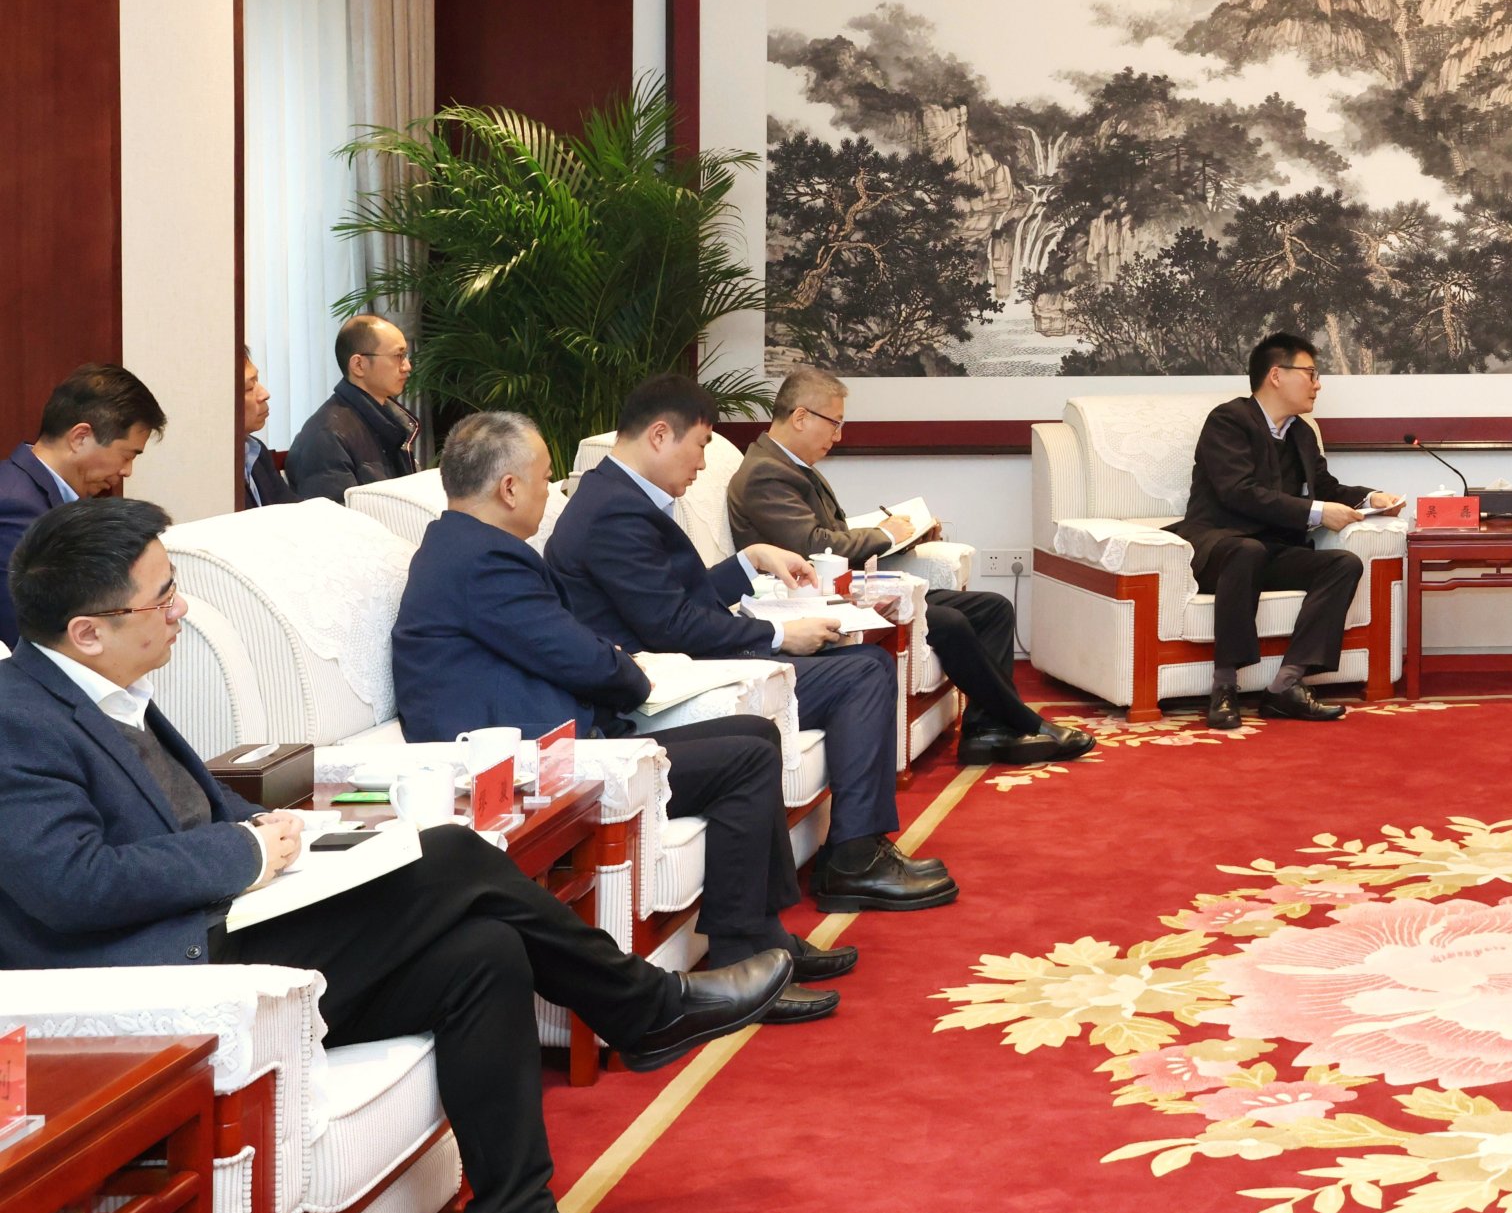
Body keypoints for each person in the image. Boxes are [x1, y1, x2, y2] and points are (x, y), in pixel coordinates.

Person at [0, 498, 793, 1213]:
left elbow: (204, 809)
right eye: (163, 596)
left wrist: (292, 831)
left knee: (484, 953)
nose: (181, 610)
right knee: (452, 854)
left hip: (228, 930)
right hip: (170, 976)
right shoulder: (17, 718)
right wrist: (245, 851)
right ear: (87, 631)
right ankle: (645, 1008)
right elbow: (72, 883)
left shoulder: (111, 689)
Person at [396, 412, 843, 1023]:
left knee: (754, 735)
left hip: (562, 742)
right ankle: (743, 948)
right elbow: (577, 654)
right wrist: (632, 674)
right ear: (509, 489)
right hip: (531, 767)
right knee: (745, 757)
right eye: (544, 478)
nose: (550, 491)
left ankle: (764, 936)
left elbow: (564, 643)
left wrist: (616, 665)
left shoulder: (467, 548)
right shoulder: (481, 561)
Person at [550, 375, 951, 913]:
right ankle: (854, 859)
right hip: (670, 682)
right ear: (660, 435)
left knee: (861, 663)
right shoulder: (614, 512)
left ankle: (858, 849)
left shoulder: (622, 497)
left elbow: (677, 600)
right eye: (700, 446)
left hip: (688, 659)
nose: (701, 465)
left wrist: (749, 559)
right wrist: (781, 634)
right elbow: (673, 627)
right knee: (862, 672)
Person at [730, 366, 1090, 768]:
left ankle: (985, 731)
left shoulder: (791, 466)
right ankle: (1024, 722)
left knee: (993, 608)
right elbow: (813, 546)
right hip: (810, 605)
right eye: (834, 423)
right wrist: (885, 534)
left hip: (843, 590)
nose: (838, 436)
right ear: (800, 417)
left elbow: (830, 537)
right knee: (949, 622)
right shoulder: (765, 473)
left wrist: (905, 535)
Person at [1169, 331, 1402, 732]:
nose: (1318, 384)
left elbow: (1325, 488)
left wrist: (1372, 498)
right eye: (1311, 373)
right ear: (1276, 375)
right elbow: (1237, 491)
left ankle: (1286, 685)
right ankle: (1224, 686)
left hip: (1270, 550)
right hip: (1219, 548)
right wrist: (1316, 512)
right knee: (1247, 551)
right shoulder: (1228, 420)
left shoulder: (1301, 433)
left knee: (1342, 564)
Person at [0, 364, 166, 647]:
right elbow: (33, 635)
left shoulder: (54, 499)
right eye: (127, 455)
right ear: (80, 438)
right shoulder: (17, 507)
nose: (127, 471)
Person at [287, 313, 420, 502]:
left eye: (405, 356)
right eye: (398, 356)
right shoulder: (326, 436)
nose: (407, 366)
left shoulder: (390, 420)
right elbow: (336, 516)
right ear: (358, 365)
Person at [238, 349, 292, 507]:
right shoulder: (212, 470)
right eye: (250, 388)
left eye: (257, 381)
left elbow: (290, 509)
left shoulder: (256, 450)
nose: (265, 394)